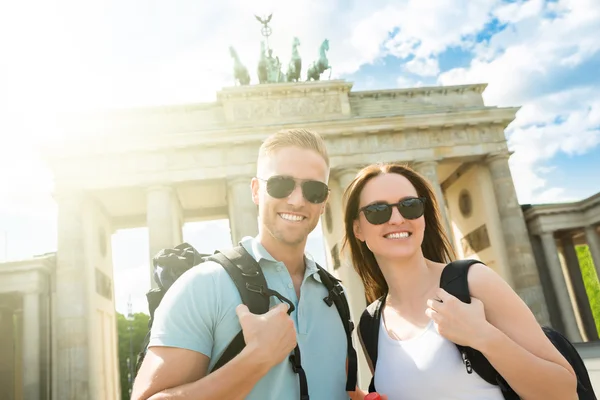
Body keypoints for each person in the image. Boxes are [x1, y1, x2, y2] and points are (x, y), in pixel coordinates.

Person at [132, 128, 360, 400]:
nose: (297, 200)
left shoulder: (336, 295)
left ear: (324, 203)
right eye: (280, 184)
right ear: (255, 190)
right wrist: (255, 361)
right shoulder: (204, 285)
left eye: (314, 190)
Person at [341, 162, 578, 400]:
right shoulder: (370, 323)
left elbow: (565, 392)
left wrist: (482, 336)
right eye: (377, 211)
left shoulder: (474, 282)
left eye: (409, 206)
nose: (396, 218)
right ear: (357, 229)